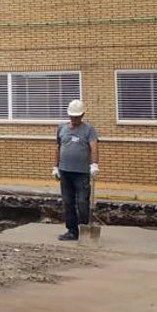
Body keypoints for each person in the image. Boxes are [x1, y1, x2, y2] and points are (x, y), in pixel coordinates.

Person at [52, 99, 99, 241]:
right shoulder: (61, 128)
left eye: (77, 117)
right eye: (72, 116)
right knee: (68, 202)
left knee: (82, 202)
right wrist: (55, 167)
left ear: (82, 115)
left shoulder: (89, 130)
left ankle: (84, 228)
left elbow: (94, 147)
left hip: (82, 173)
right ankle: (72, 231)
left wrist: (94, 164)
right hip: (65, 172)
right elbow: (58, 148)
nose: (74, 119)